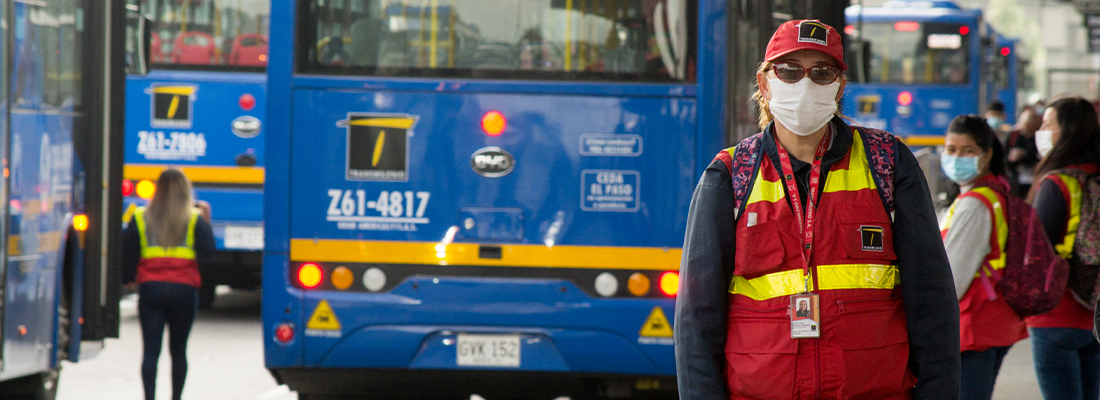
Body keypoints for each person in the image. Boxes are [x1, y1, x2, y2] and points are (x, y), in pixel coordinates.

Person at [674, 19, 960, 399]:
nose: (805, 85)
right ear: (764, 84)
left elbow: (932, 302)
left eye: (822, 73)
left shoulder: (888, 163)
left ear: (840, 87)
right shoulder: (729, 176)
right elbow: (696, 320)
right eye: (789, 71)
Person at [939, 115, 1027, 400]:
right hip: (994, 321)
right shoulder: (994, 191)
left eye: (968, 151)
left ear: (987, 155)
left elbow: (953, 277)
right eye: (951, 150)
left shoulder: (975, 204)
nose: (956, 157)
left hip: (975, 326)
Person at [1026, 97, 1100, 400]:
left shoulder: (1057, 184)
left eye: (1047, 124)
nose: (1041, 131)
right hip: (1096, 315)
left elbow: (1036, 252)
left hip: (1057, 314)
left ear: (1067, 131)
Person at [122, 168, 215, 400]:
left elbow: (127, 254)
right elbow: (209, 253)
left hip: (151, 290)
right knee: (179, 352)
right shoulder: (194, 219)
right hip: (184, 290)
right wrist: (207, 222)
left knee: (151, 352)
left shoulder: (141, 217)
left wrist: (129, 280)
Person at [1006, 106, 1042, 197]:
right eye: (1024, 124)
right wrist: (1011, 157)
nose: (1025, 129)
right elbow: (1005, 157)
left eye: (1029, 125)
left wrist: (1026, 155)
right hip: (1017, 181)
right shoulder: (1014, 136)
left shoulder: (1040, 138)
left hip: (1035, 181)